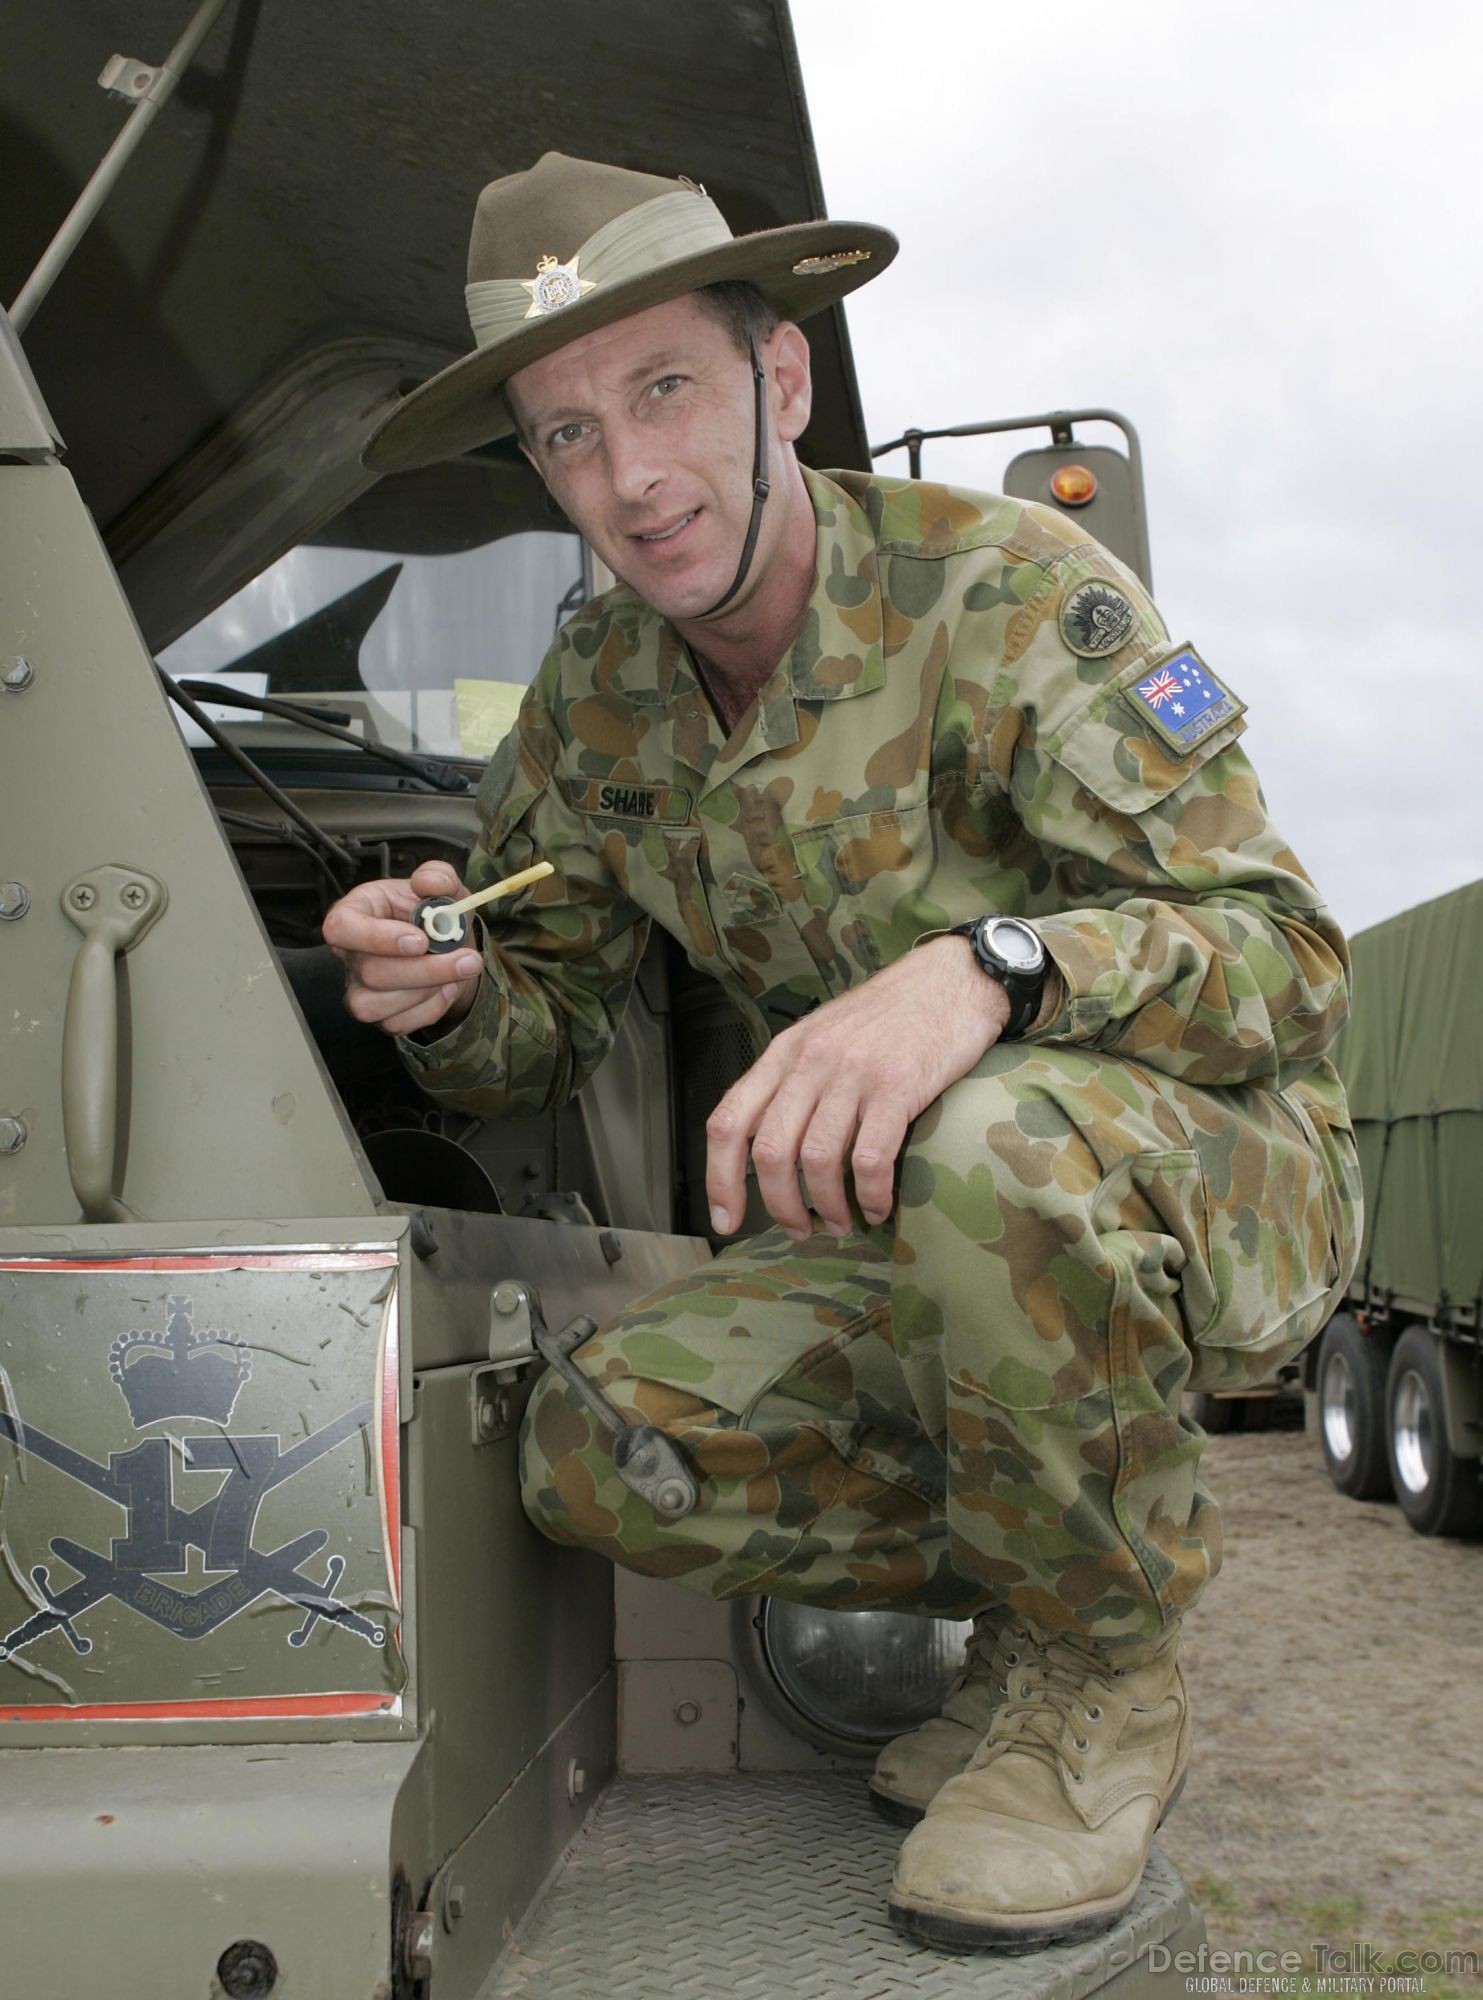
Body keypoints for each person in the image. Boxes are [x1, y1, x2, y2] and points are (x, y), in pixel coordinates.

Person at [326, 151, 1362, 1953]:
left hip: (1206, 1180)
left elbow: (1288, 961)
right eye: (565, 434)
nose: (627, 478)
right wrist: (443, 989)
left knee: (994, 1134)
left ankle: (1101, 1678)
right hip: (925, 1253)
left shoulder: (1015, 593)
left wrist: (992, 968)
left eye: (665, 390)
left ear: (780, 384)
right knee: (600, 1446)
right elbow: (543, 1023)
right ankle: (1044, 1597)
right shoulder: (594, 706)